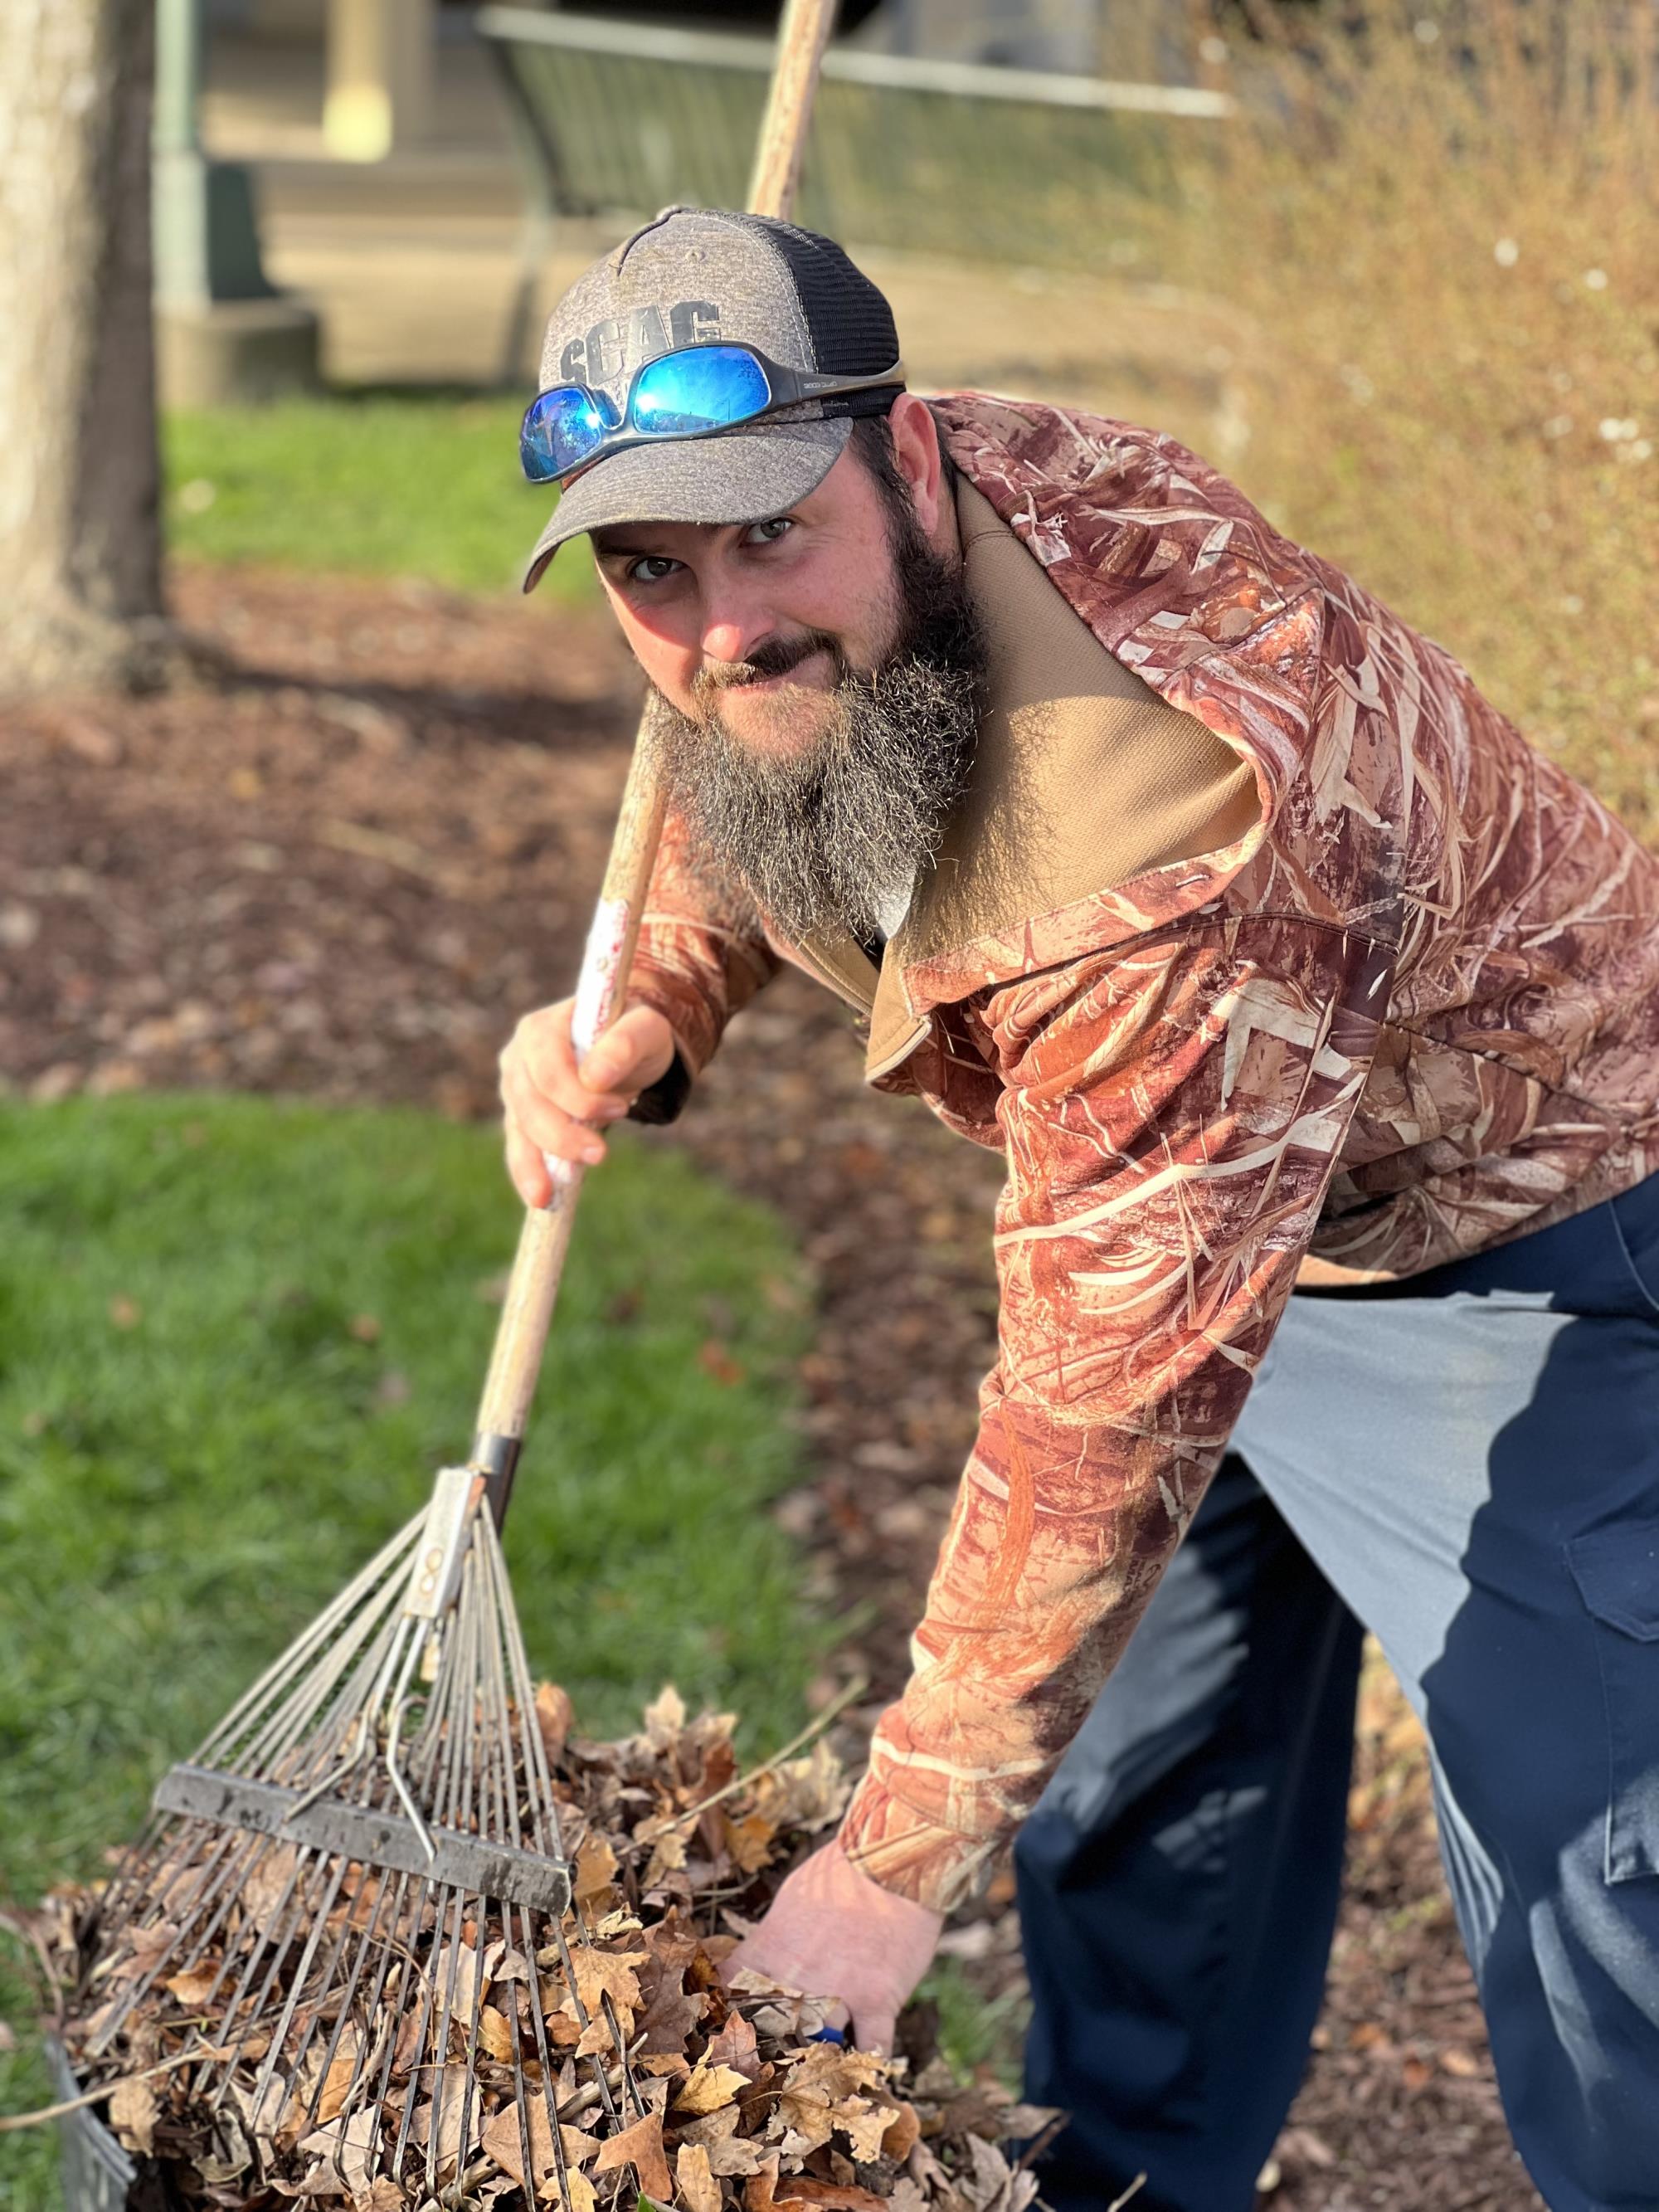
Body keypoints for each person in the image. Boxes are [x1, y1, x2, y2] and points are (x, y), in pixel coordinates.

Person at [497, 208, 1659, 2212]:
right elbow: (744, 735)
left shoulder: (1157, 822)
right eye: (646, 567)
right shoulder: (851, 575)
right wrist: (659, 996)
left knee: (1603, 1885)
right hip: (1200, 1217)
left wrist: (879, 1872)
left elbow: (1102, 1400)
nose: (718, 621)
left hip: (1533, 1245)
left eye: (768, 532)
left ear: (913, 463)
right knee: (1129, 1808)